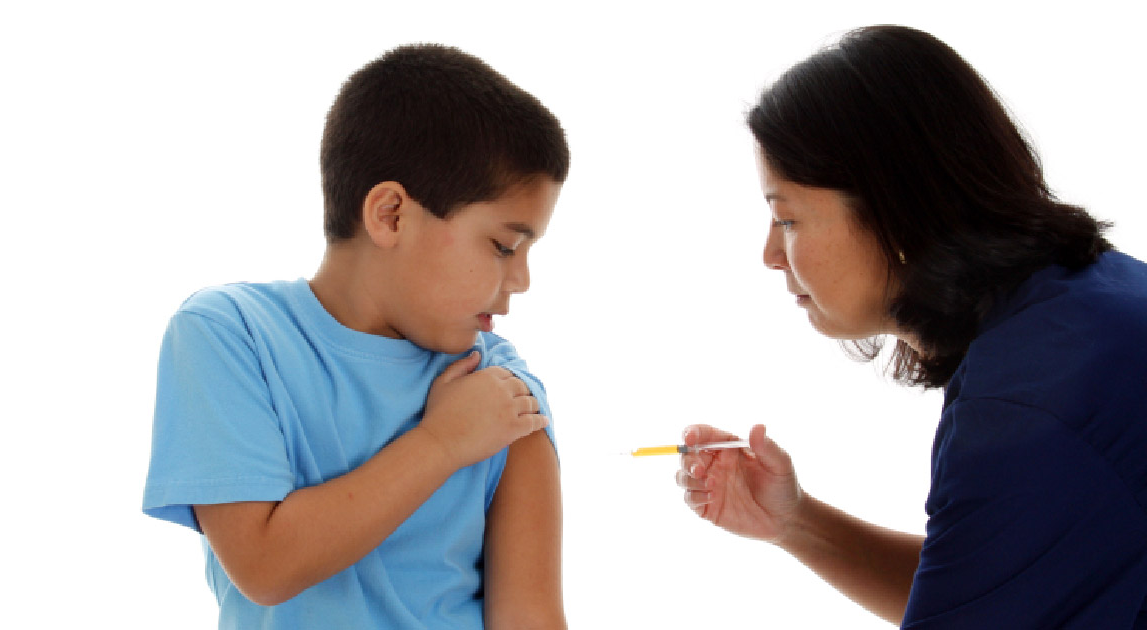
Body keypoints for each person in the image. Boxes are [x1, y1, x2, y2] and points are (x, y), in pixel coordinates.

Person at [676, 25, 1147, 628]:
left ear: (895, 216)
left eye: (787, 218)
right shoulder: (1081, 303)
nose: (770, 254)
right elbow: (996, 586)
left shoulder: (1029, 405)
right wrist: (796, 523)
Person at [142, 44, 569, 629]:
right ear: (390, 214)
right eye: (502, 246)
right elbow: (264, 566)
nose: (520, 281)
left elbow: (531, 619)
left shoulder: (502, 392)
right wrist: (440, 443)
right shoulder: (227, 335)